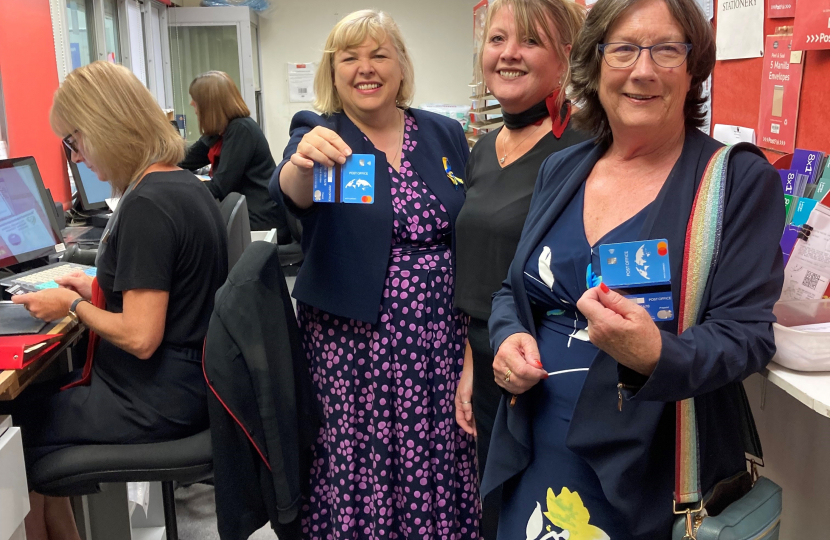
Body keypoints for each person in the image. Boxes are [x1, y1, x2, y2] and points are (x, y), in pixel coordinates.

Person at [482, 0, 784, 538]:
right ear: (595, 66)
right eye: (622, 49)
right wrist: (507, 339)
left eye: (667, 50)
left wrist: (657, 355)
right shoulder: (564, 166)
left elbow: (747, 339)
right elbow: (513, 288)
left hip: (642, 474)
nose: (642, 70)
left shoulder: (734, 182)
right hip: (532, 451)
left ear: (693, 69)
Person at [269, 10, 480, 539]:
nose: (366, 68)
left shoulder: (444, 133)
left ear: (401, 67)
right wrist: (300, 164)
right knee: (364, 468)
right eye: (350, 58)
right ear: (333, 73)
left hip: (439, 341)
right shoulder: (321, 134)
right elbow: (291, 191)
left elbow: (469, 224)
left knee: (437, 458)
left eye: (379, 54)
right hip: (353, 349)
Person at [4, 61, 228, 540]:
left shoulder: (148, 203)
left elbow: (141, 337)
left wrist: (70, 306)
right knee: (29, 412)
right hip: (185, 384)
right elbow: (168, 293)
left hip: (156, 397)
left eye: (75, 141)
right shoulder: (180, 184)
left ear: (104, 128)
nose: (77, 157)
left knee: (15, 428)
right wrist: (95, 289)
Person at [452, 1, 587, 536]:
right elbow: (482, 266)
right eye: (497, 39)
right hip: (487, 363)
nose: (508, 54)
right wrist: (470, 361)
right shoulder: (484, 149)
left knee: (549, 516)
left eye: (529, 41)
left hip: (548, 369)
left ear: (566, 58)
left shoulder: (582, 150)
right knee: (499, 512)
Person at [180, 70, 290, 242]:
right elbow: (184, 160)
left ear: (210, 105)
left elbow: (220, 187)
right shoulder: (218, 132)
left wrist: (177, 192)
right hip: (242, 218)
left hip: (259, 222)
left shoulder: (241, 130)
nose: (192, 104)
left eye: (196, 100)